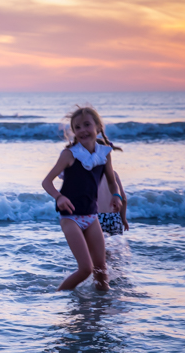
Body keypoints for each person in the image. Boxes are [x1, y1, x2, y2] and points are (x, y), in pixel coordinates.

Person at [41, 107, 123, 291]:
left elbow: (112, 182)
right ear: (74, 132)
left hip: (91, 217)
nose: (82, 130)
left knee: (101, 270)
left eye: (87, 124)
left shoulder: (104, 153)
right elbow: (46, 182)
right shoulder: (69, 154)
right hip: (70, 218)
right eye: (77, 127)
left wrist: (116, 196)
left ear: (98, 126)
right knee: (86, 269)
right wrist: (59, 197)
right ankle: (56, 297)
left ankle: (100, 309)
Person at [97, 170, 129, 236]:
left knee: (96, 245)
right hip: (114, 217)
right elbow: (123, 198)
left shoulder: (91, 174)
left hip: (96, 217)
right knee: (116, 244)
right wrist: (123, 218)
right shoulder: (113, 174)